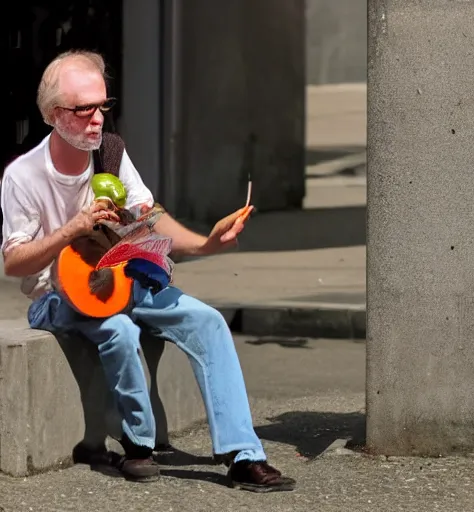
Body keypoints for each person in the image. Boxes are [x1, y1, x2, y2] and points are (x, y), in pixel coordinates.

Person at [1, 50, 295, 492]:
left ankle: (242, 455)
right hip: (56, 297)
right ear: (52, 114)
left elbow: (149, 216)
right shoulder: (23, 176)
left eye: (103, 105)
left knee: (209, 322)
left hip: (120, 279)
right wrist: (72, 229)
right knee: (118, 328)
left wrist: (205, 244)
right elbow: (14, 262)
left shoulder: (111, 152)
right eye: (84, 109)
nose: (97, 119)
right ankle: (137, 445)